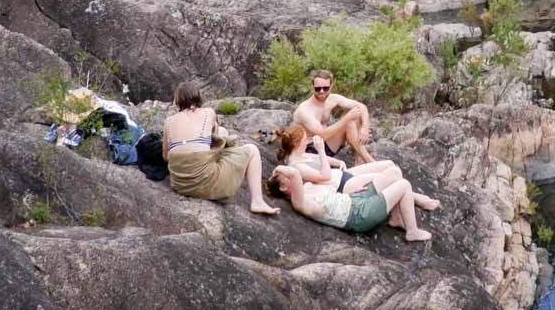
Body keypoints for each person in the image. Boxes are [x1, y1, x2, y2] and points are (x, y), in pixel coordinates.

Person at [162, 79, 278, 215]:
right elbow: (215, 140)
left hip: (180, 185)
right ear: (198, 96)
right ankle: (257, 201)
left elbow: (165, 156)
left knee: (218, 136)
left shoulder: (168, 121)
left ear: (178, 100)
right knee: (252, 150)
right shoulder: (208, 113)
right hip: (206, 183)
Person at [272, 124, 440, 211]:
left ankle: (413, 196)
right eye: (304, 137)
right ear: (296, 143)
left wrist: (339, 162)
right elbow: (324, 176)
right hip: (341, 186)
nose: (307, 138)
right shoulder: (296, 166)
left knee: (388, 164)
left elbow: (326, 162)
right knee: (392, 175)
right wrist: (322, 150)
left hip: (341, 175)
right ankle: (415, 199)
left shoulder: (302, 155)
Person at [267, 162, 432, 241]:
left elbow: (331, 188)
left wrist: (351, 190)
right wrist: (278, 169)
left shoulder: (308, 186)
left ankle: (396, 219)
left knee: (394, 172)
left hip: (354, 198)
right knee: (403, 185)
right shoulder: (299, 202)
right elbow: (295, 173)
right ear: (284, 188)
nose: (292, 176)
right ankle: (412, 231)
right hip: (358, 215)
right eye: (286, 177)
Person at [292, 69, 373, 159]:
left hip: (326, 144)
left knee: (356, 116)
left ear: (331, 86)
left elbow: (361, 107)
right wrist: (346, 119)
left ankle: (359, 159)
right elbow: (322, 135)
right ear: (312, 87)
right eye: (318, 89)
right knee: (348, 122)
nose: (322, 91)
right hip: (310, 149)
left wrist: (364, 128)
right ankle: (370, 160)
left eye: (325, 88)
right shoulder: (305, 110)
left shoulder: (332, 99)